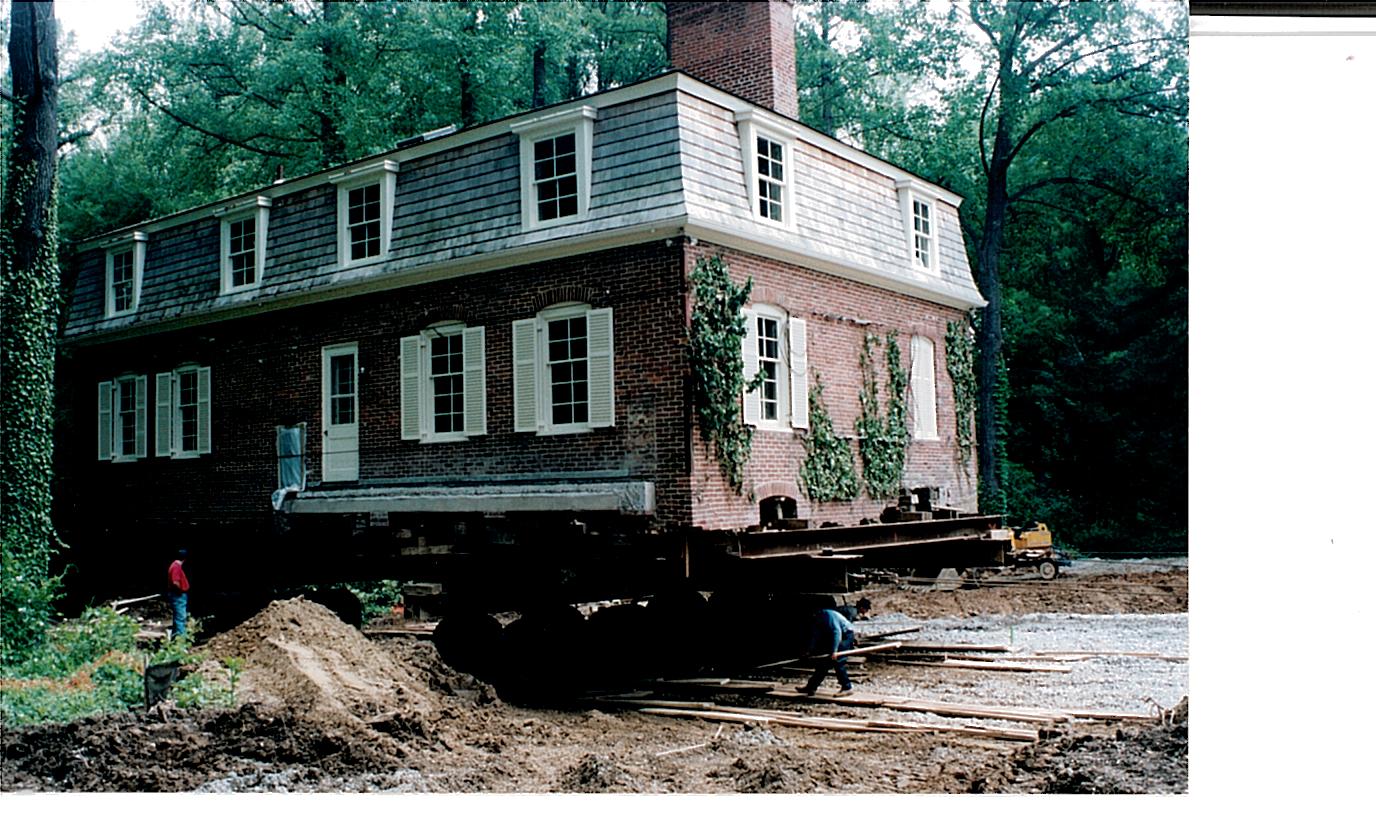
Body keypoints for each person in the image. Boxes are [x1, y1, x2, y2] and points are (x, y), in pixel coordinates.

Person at [796, 606, 856, 697]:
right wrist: (808, 651)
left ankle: (847, 687)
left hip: (846, 634)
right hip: (834, 635)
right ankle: (811, 687)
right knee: (823, 663)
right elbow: (814, 637)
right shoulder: (815, 621)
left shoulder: (827, 615)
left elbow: (837, 632)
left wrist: (834, 651)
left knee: (838, 660)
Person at [167, 549, 190, 638]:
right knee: (181, 617)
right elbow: (175, 582)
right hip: (178, 595)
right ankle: (181, 640)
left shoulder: (174, 565)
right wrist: (181, 590)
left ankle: (174, 638)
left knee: (177, 617)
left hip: (177, 595)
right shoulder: (176, 567)